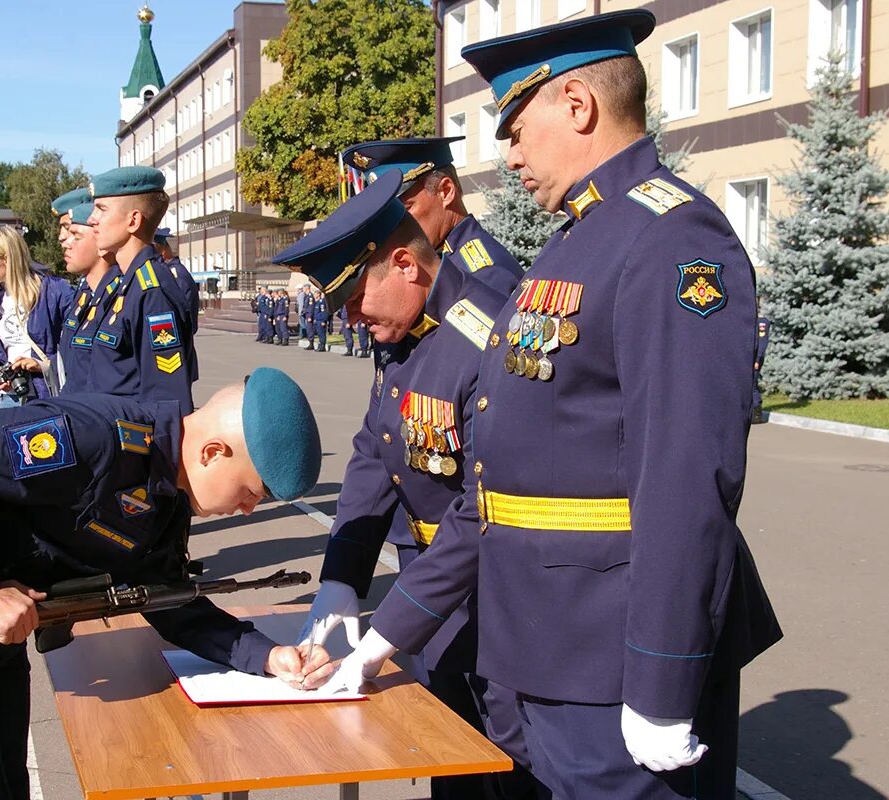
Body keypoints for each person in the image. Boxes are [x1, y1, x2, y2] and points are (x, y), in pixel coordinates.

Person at [327, 12, 783, 800]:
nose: (508, 155)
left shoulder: (672, 241)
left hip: (612, 668)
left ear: (576, 104)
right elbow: (499, 491)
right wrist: (384, 637)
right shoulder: (580, 241)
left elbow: (684, 479)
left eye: (515, 126)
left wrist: (664, 681)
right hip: (536, 651)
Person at [0, 368, 333, 800]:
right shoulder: (93, 439)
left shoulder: (167, 498)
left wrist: (264, 656)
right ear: (212, 452)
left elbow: (168, 597)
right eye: (251, 492)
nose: (247, 510)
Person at [274, 170, 536, 800]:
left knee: (510, 765)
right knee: (449, 758)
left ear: (403, 264)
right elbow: (375, 448)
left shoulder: (485, 335)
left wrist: (382, 638)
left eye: (354, 299)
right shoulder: (404, 330)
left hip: (498, 595)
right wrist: (342, 578)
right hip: (435, 586)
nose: (349, 320)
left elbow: (483, 511)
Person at [342, 137, 523, 297]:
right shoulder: (435, 260)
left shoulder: (484, 275)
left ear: (446, 192)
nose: (392, 227)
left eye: (404, 210)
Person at [87, 166, 196, 414]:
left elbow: (165, 399)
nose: (92, 219)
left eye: (102, 209)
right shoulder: (124, 283)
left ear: (133, 220)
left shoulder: (152, 291)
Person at [0, 226, 74, 410]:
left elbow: (77, 347)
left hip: (45, 397)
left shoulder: (54, 291)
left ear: (6, 259)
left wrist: (44, 365)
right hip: (4, 400)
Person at [57, 201, 121, 395]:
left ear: (101, 245)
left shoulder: (122, 297)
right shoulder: (85, 296)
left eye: (75, 236)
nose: (65, 242)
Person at [154, 227, 199, 381]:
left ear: (161, 251)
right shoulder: (167, 273)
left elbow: (184, 322)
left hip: (174, 356)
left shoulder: (176, 276)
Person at [752, 317, 770, 424]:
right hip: (746, 357)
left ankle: (757, 413)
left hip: (754, 359)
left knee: (752, 384)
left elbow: (762, 342)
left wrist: (757, 359)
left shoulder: (761, 322)